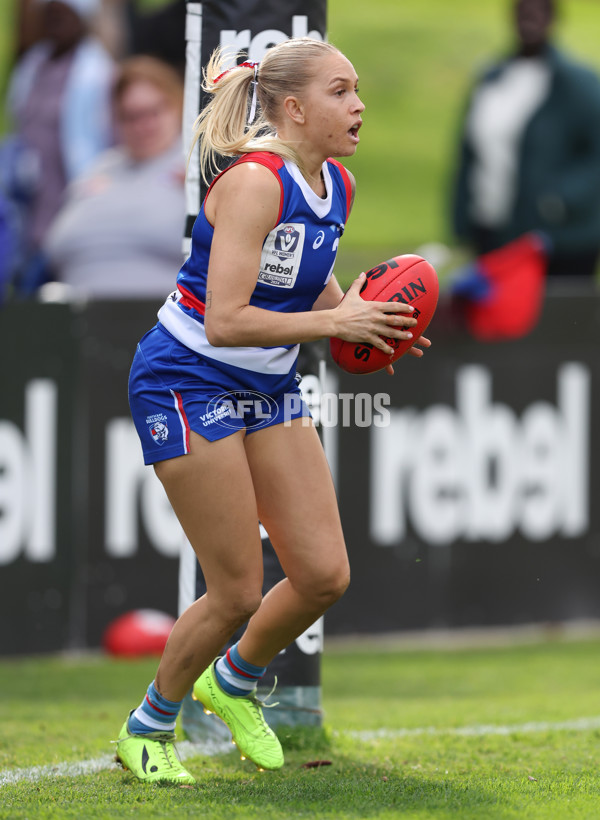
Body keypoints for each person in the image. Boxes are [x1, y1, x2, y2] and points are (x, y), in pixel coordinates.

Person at [114, 37, 431, 785]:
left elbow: (304, 282)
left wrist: (368, 318)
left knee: (323, 574)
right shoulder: (256, 182)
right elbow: (225, 319)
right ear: (294, 107)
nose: (359, 107)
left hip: (267, 384)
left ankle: (231, 681)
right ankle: (149, 725)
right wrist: (336, 326)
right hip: (187, 377)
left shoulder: (338, 187)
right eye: (341, 92)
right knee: (235, 591)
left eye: (358, 92)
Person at [450, 0, 600, 279]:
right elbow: (470, 152)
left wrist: (560, 200)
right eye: (523, 10)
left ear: (554, 17)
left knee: (559, 319)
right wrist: (461, 220)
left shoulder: (577, 83)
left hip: (560, 238)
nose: (529, 18)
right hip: (494, 231)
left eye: (539, 10)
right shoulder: (493, 79)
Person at [43, 56, 185, 300]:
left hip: (162, 320)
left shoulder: (198, 166)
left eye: (153, 112)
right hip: (76, 311)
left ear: (177, 107)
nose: (143, 125)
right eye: (131, 116)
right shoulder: (100, 168)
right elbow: (53, 245)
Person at [5, 0, 115, 292]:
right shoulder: (31, 66)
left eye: (63, 14)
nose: (54, 21)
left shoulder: (99, 71)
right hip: (29, 208)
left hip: (75, 204)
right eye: (48, 14)